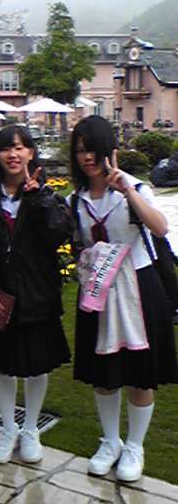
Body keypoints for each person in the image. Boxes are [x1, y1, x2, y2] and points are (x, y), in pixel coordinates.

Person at [69, 115, 178, 482]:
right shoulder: (76, 198)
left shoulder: (135, 188)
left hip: (137, 289)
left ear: (109, 150)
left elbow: (160, 228)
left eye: (93, 149)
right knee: (104, 374)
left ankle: (135, 446)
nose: (87, 157)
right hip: (98, 292)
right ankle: (111, 441)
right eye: (80, 151)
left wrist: (127, 190)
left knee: (139, 375)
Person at [0, 125, 71, 464]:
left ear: (31, 153)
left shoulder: (47, 196)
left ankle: (31, 429)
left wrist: (38, 198)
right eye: (7, 148)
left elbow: (59, 233)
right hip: (0, 297)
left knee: (38, 366)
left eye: (21, 147)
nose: (14, 154)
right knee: (2, 365)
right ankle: (8, 428)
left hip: (37, 296)